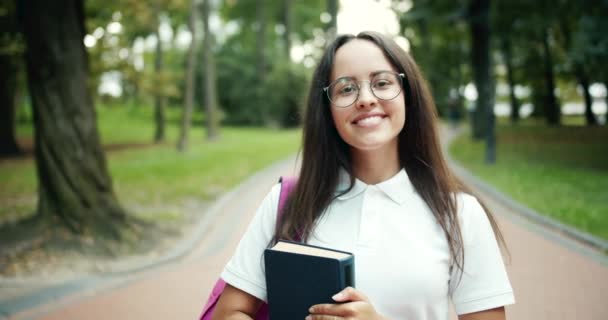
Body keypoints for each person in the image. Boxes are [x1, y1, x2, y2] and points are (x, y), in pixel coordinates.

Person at [212, 31, 514, 320]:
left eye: (382, 83)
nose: (366, 99)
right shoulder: (290, 201)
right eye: (346, 88)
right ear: (327, 109)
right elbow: (228, 313)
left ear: (407, 95)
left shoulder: (460, 213)